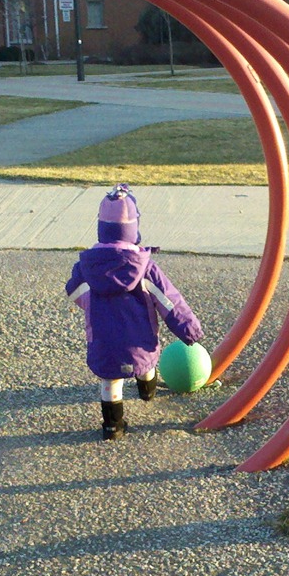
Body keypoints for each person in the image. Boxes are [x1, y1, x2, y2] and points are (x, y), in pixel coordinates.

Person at [66, 184, 204, 441]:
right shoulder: (144, 267)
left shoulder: (88, 266)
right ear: (133, 228)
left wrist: (91, 305)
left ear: (101, 226)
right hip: (139, 338)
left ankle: (113, 426)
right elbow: (169, 301)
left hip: (103, 339)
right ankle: (147, 390)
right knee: (145, 364)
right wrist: (189, 329)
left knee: (110, 380)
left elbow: (73, 290)